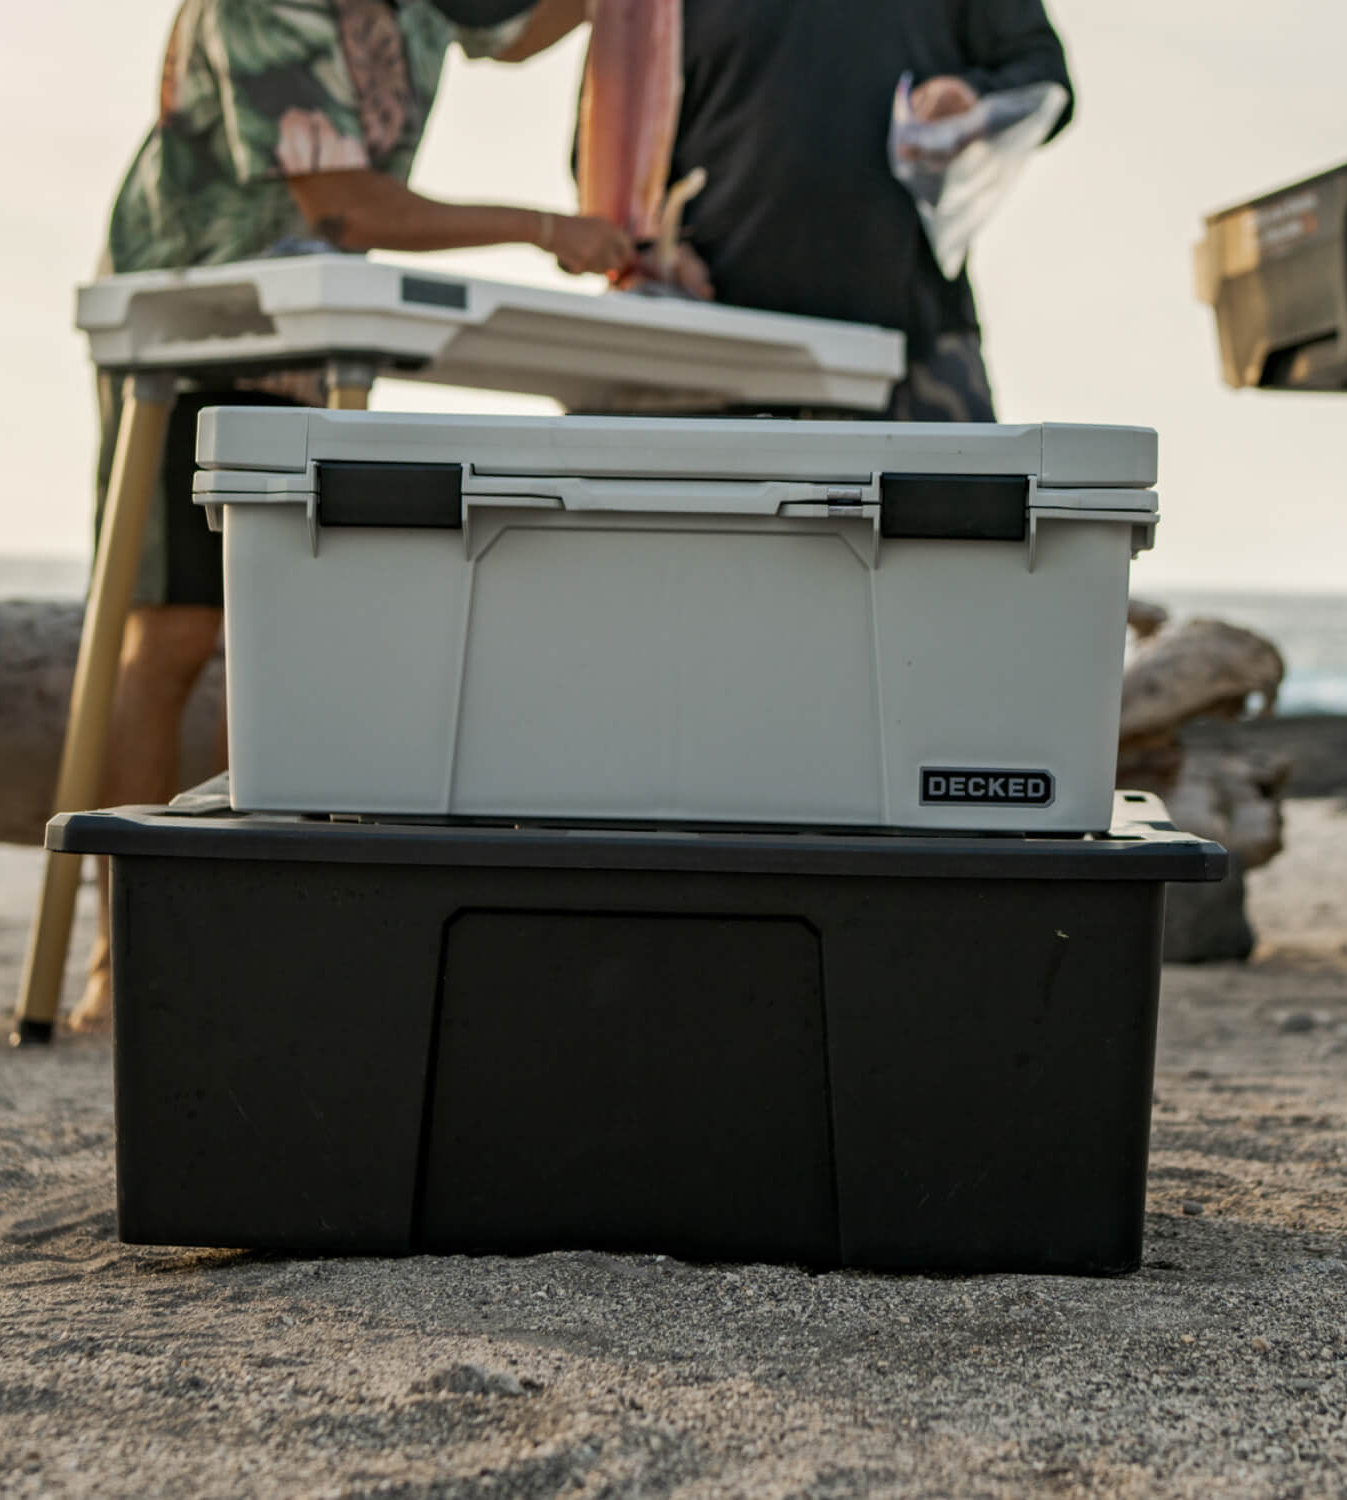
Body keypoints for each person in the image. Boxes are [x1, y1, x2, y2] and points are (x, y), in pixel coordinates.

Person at [72, 0, 633, 1032]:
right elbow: (340, 203)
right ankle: (123, 954)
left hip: (316, 333)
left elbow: (519, 29)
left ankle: (261, 936)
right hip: (190, 314)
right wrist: (548, 228)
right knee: (175, 632)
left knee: (289, 629)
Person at [625, 0, 1074, 423]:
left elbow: (1041, 74)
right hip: (702, 360)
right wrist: (653, 243)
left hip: (912, 350)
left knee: (966, 503)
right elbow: (611, 141)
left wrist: (972, 99)